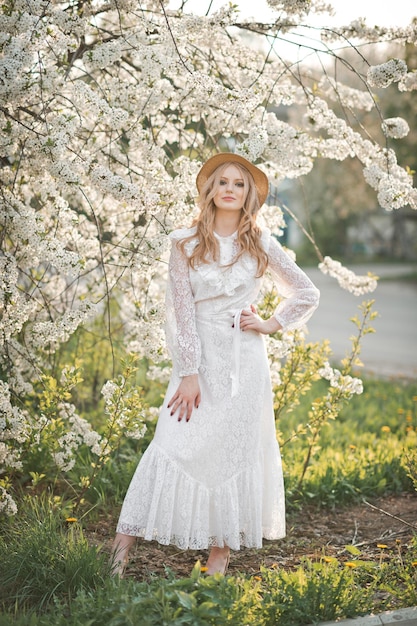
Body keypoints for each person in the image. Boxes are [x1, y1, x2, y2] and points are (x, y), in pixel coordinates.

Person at [110, 152, 320, 576]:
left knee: (233, 455)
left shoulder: (261, 244)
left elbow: (306, 291)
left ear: (249, 196)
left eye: (239, 184)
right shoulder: (184, 242)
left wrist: (269, 323)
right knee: (171, 444)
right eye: (222, 181)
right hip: (198, 361)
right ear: (210, 190)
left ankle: (218, 560)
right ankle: (118, 555)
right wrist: (188, 372)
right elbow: (181, 311)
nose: (229, 188)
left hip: (244, 366)